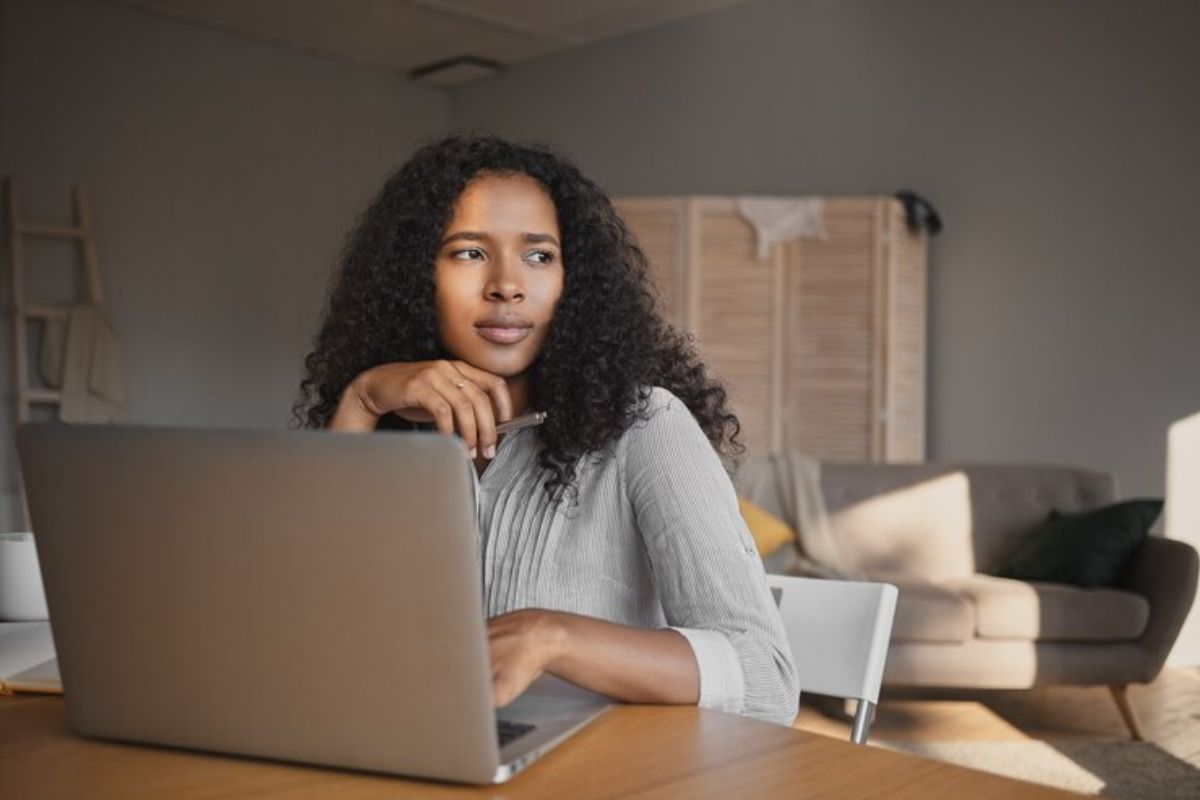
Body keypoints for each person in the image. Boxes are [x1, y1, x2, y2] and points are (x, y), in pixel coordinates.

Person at [294, 134, 799, 725]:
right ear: (415, 277)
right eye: (469, 253)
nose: (508, 285)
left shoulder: (646, 424)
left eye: (539, 255)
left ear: (573, 283)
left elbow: (766, 678)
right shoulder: (388, 431)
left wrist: (552, 637)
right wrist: (360, 398)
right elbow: (307, 633)